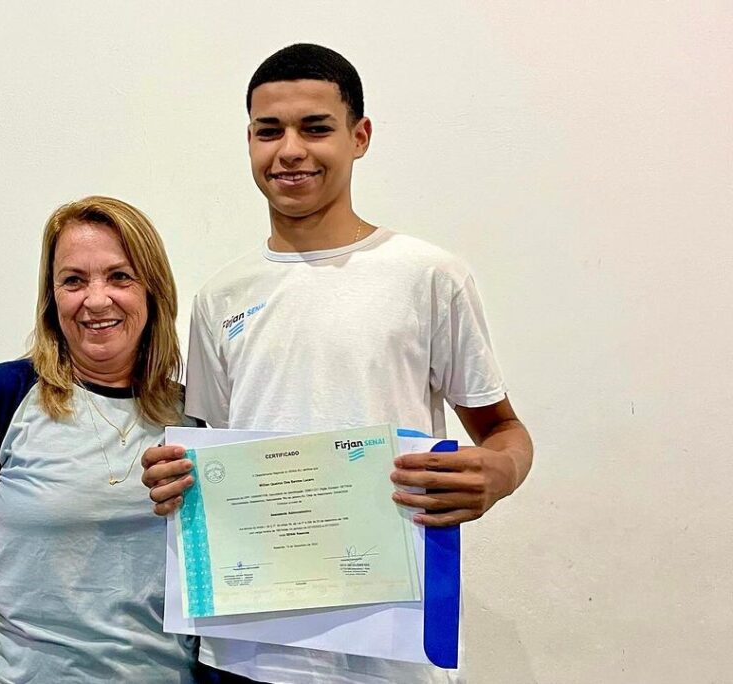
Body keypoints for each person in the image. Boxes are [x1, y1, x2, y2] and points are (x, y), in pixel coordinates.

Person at [141, 44, 534, 684]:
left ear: (360, 136)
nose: (290, 150)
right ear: (249, 142)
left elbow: (504, 431)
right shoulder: (221, 297)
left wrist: (501, 473)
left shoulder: (428, 276)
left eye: (315, 128)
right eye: (269, 131)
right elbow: (213, 449)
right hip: (247, 653)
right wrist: (175, 479)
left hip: (392, 652)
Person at [0, 196, 206, 683]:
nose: (96, 300)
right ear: (52, 297)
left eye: (119, 276)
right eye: (73, 281)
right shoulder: (4, 395)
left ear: (153, 290)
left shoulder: (195, 416)